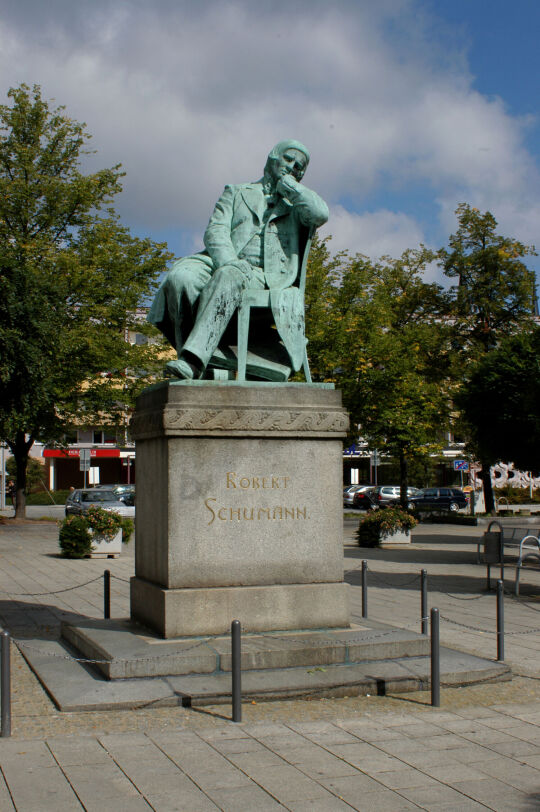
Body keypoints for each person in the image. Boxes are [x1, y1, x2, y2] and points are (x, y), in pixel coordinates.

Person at [148, 140, 329, 380]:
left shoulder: (298, 206)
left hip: (265, 276)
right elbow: (216, 231)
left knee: (230, 276)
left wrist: (292, 188)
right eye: (288, 159)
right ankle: (202, 356)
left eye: (299, 167)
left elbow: (320, 214)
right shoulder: (236, 192)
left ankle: (193, 361)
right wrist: (229, 260)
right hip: (221, 262)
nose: (292, 167)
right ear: (273, 158)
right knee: (180, 278)